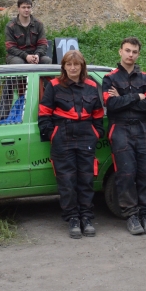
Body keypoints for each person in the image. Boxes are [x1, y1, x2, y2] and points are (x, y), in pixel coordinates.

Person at [38, 50, 104, 239]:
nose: (73, 68)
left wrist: (95, 133)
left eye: (76, 64)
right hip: (63, 137)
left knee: (86, 180)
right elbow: (44, 114)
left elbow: (98, 114)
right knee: (67, 182)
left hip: (86, 136)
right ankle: (73, 219)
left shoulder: (92, 86)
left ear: (82, 67)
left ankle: (87, 218)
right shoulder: (53, 86)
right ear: (64, 67)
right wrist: (53, 134)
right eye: (69, 64)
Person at [102, 37, 146, 236]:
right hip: (120, 128)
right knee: (125, 174)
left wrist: (123, 98)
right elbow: (111, 105)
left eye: (134, 52)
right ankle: (131, 215)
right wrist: (136, 97)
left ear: (138, 54)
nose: (130, 55)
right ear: (120, 51)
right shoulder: (109, 78)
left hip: (142, 128)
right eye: (127, 50)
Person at [5, 0, 51, 64]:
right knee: (18, 62)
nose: (26, 10)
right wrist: (26, 56)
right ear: (18, 8)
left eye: (28, 7)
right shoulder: (11, 26)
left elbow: (43, 43)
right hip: (16, 56)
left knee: (47, 60)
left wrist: (37, 55)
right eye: (23, 7)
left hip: (35, 54)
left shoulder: (38, 24)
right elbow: (10, 47)